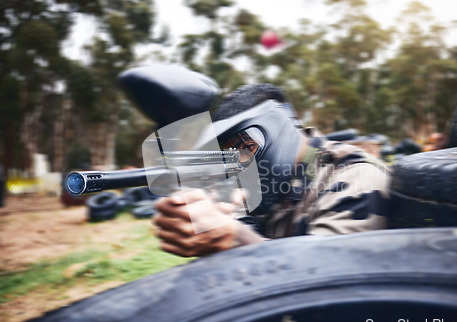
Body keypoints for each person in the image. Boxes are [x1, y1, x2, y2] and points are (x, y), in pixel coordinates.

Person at [153, 84, 391, 257]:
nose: (235, 165)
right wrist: (220, 224)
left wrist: (233, 236)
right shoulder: (277, 187)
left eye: (240, 148)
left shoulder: (356, 177)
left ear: (271, 129)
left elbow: (327, 284)